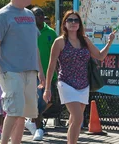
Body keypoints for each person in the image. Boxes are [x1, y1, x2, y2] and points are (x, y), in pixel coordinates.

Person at [0, 0, 45, 144]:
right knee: (14, 110)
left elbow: (34, 46)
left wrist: (41, 73)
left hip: (30, 72)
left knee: (23, 112)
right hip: (10, 71)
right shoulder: (2, 15)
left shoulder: (30, 15)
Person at [43, 11, 115, 144]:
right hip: (66, 83)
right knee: (77, 118)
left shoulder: (84, 40)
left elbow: (99, 56)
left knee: (74, 120)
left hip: (83, 84)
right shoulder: (59, 42)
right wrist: (47, 88)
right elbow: (51, 66)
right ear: (64, 23)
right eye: (70, 20)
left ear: (79, 24)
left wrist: (109, 42)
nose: (73, 23)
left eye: (76, 20)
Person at [25, 6, 57, 141]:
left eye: (40, 15)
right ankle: (39, 127)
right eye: (35, 15)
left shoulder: (51, 33)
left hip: (50, 74)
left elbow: (56, 53)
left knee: (50, 100)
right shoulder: (27, 31)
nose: (38, 17)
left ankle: (32, 119)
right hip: (33, 73)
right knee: (37, 101)